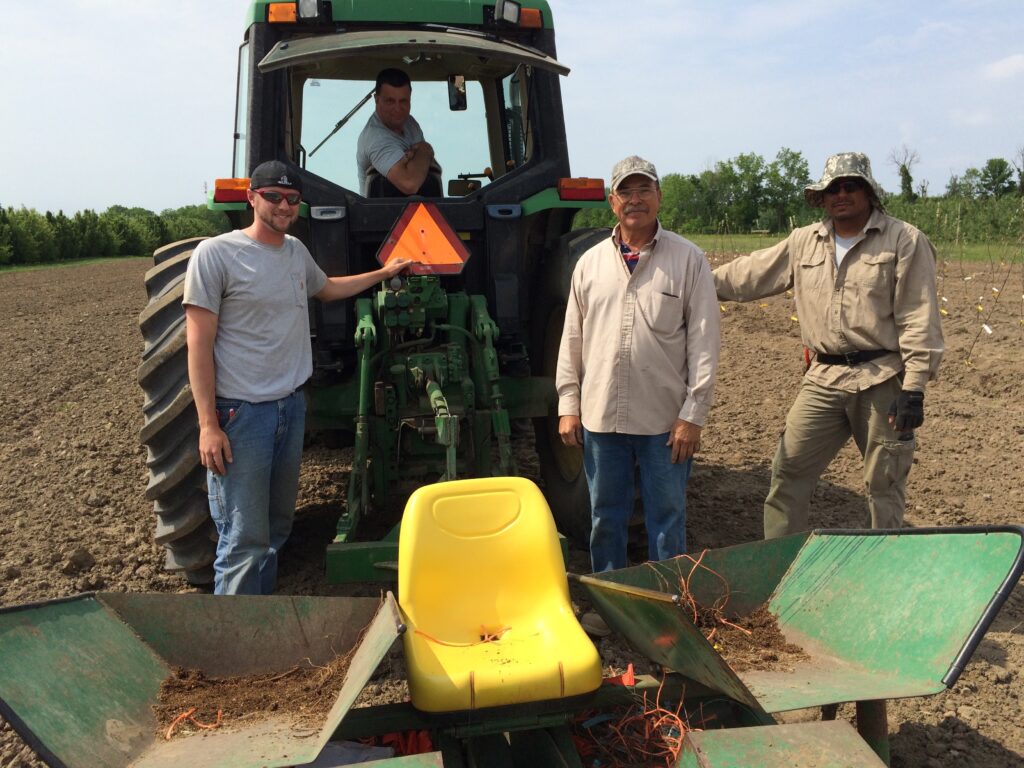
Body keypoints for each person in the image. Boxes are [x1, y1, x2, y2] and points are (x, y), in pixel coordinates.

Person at [183, 160, 412, 595]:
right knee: (244, 537)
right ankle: (233, 641)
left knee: (274, 529)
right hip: (242, 414)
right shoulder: (216, 255)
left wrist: (383, 274)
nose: (283, 206)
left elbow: (327, 288)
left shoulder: (294, 252)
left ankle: (260, 619)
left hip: (290, 407)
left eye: (291, 199)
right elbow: (198, 346)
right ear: (252, 197)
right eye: (273, 196)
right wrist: (208, 425)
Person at [713, 151, 943, 539]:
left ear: (868, 192)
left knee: (884, 484)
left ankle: (884, 569)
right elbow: (750, 273)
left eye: (850, 186)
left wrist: (915, 387)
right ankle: (780, 565)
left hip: (881, 378)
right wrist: (693, 278)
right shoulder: (805, 241)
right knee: (787, 473)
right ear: (821, 197)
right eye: (832, 188)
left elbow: (918, 316)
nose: (841, 194)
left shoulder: (903, 240)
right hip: (822, 379)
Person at [556, 155, 720, 595]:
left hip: (664, 422)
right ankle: (611, 598)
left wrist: (693, 415)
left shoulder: (688, 260)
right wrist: (568, 404)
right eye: (625, 192)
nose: (635, 200)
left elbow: (705, 343)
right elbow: (572, 338)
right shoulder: (589, 264)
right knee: (604, 515)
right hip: (601, 417)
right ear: (612, 203)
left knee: (666, 517)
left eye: (643, 190)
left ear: (659, 197)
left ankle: (669, 602)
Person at [356, 68, 440, 197]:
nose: (397, 109)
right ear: (376, 100)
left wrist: (413, 161)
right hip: (379, 214)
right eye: (390, 101)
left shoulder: (410, 124)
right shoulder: (376, 137)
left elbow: (430, 165)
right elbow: (409, 184)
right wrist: (425, 149)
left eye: (403, 101)